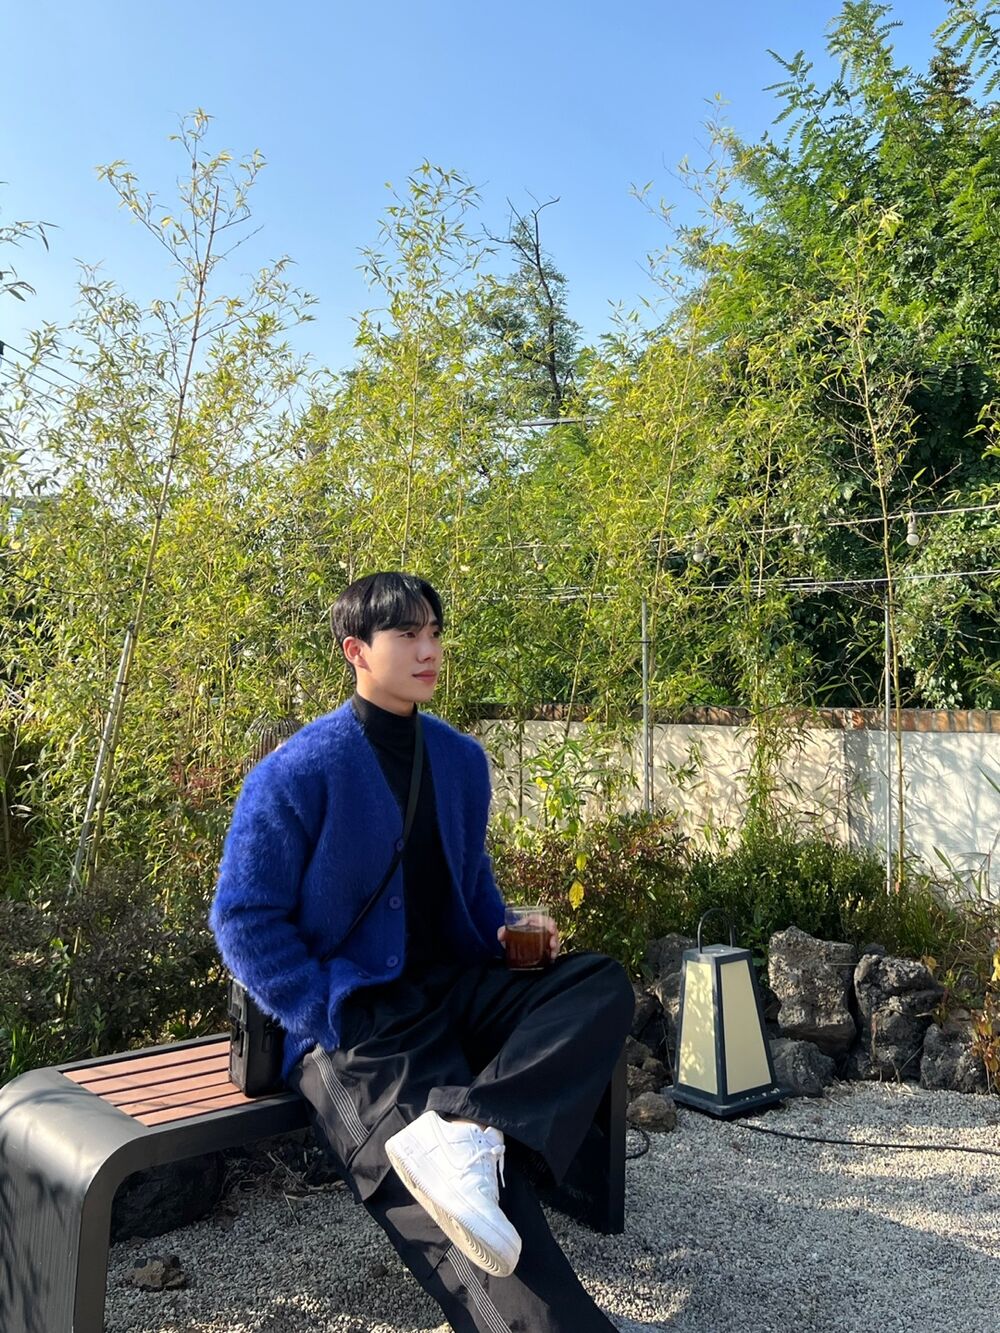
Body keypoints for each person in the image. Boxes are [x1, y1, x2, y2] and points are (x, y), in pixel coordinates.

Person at [211, 571, 635, 1332]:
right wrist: (324, 1010)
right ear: (356, 650)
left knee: (597, 983)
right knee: (479, 1224)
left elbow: (470, 884)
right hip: (361, 1021)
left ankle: (468, 1127)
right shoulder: (297, 772)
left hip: (456, 986)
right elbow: (243, 918)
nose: (428, 649)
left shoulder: (460, 759)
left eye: (434, 632)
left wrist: (504, 933)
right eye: (407, 634)